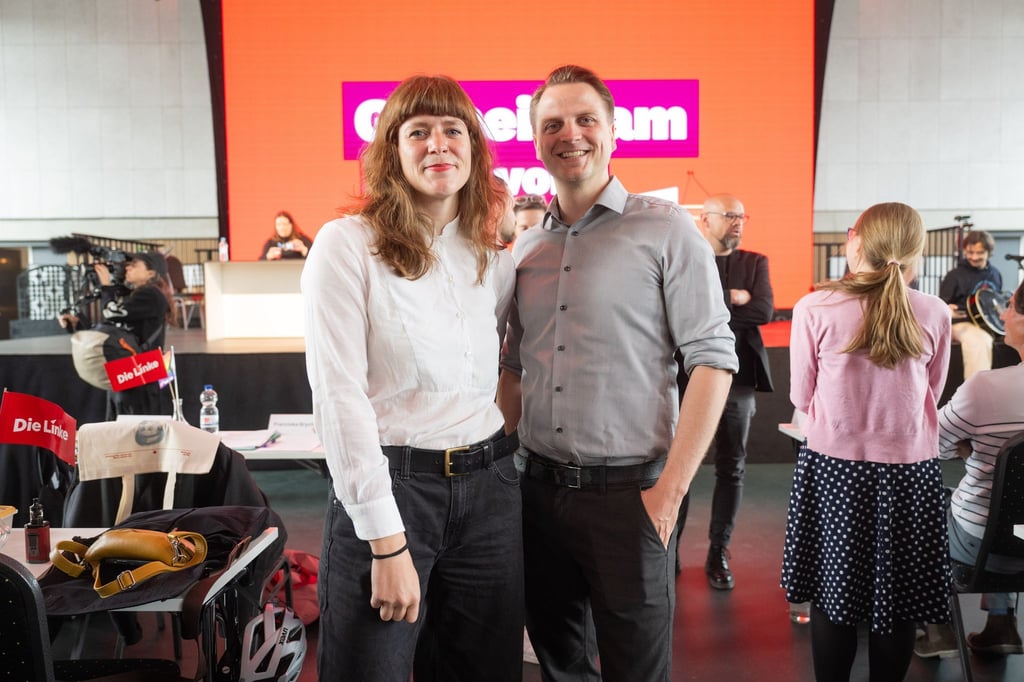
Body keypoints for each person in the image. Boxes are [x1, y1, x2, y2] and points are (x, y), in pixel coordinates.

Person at [497, 64, 737, 681]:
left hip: (630, 496)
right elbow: (514, 371)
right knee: (558, 663)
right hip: (537, 492)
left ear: (612, 132)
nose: (569, 134)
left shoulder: (667, 230)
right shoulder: (527, 250)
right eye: (552, 123)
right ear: (536, 139)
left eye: (585, 120)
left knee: (636, 668)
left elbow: (713, 360)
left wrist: (669, 495)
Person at [301, 74, 521, 682]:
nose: (438, 144)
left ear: (475, 151)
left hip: (492, 492)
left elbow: (496, 372)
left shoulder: (490, 261)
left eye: (454, 130)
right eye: (417, 131)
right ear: (392, 152)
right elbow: (339, 397)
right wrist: (385, 541)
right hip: (393, 489)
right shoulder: (347, 246)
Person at [782, 202, 952, 681]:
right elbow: (931, 395)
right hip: (911, 473)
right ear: (915, 253)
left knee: (833, 599)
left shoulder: (815, 307)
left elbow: (800, 395)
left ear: (856, 241)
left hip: (835, 469)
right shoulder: (934, 311)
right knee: (897, 602)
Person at [914, 279, 1024, 659]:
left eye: (1009, 306)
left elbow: (932, 444)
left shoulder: (985, 389)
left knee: (930, 507)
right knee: (1012, 511)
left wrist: (969, 447)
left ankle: (938, 627)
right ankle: (1000, 622)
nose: (1003, 314)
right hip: (1020, 535)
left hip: (987, 546)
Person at [676, 193, 773, 590]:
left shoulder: (754, 262)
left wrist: (712, 306)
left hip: (739, 379)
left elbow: (764, 311)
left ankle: (719, 551)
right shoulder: (688, 256)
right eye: (730, 215)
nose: (738, 221)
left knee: (732, 467)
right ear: (706, 220)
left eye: (742, 214)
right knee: (677, 465)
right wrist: (733, 300)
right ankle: (668, 550)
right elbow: (679, 312)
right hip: (685, 379)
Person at [60, 251, 175, 417]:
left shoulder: (151, 295)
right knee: (119, 431)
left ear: (151, 273)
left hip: (141, 375)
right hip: (128, 372)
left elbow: (111, 313)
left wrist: (107, 286)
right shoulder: (134, 296)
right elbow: (111, 330)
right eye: (127, 264)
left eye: (134, 265)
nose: (127, 267)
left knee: (137, 433)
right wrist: (78, 323)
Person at [939, 230, 1002, 380]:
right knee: (979, 341)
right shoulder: (954, 275)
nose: (974, 257)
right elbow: (941, 306)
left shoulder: (995, 274)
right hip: (960, 323)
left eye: (979, 252)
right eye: (970, 252)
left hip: (986, 326)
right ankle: (974, 395)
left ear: (989, 252)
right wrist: (948, 310)